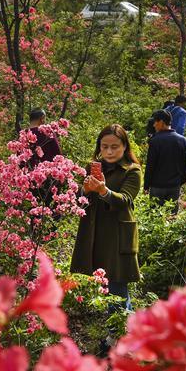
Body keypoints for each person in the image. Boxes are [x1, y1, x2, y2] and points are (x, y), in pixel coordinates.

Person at [71, 125, 142, 334]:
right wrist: (85, 189)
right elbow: (78, 199)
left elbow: (126, 200)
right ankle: (126, 331)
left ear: (125, 146)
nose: (109, 152)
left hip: (118, 235)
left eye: (115, 147)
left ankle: (117, 337)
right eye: (105, 147)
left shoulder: (132, 170)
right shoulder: (92, 167)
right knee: (110, 288)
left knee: (117, 288)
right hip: (94, 233)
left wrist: (103, 191)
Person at [144, 109, 186, 209]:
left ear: (161, 122)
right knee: (171, 218)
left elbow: (150, 165)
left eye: (155, 122)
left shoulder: (155, 141)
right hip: (174, 186)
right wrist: (179, 182)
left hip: (157, 186)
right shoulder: (183, 141)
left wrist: (146, 185)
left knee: (155, 216)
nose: (154, 125)